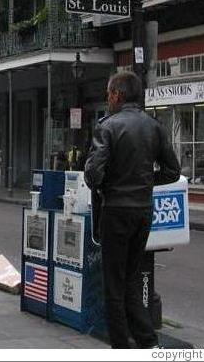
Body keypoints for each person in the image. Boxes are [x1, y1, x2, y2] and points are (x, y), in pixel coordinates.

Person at [84, 72, 180, 349]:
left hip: (115, 210)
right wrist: (146, 183)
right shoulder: (154, 126)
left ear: (117, 94)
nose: (107, 98)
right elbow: (172, 170)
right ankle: (148, 342)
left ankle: (121, 345)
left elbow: (93, 174)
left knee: (113, 284)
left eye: (108, 93)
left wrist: (109, 185)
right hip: (143, 210)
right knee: (132, 277)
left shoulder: (107, 126)